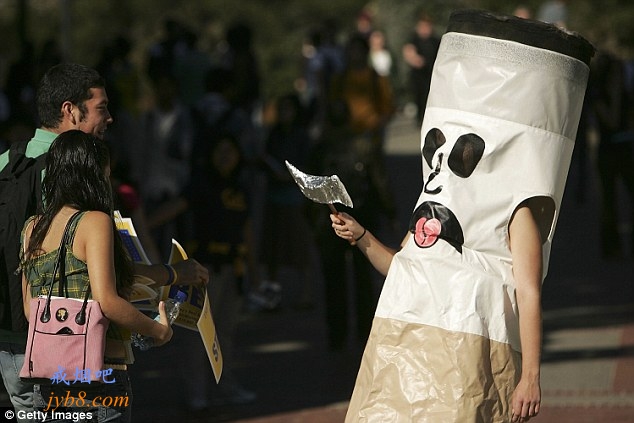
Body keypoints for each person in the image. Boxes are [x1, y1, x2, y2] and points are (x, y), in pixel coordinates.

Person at [337, 10, 593, 422]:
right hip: (403, 350)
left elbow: (529, 294)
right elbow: (404, 268)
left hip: (472, 363)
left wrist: (531, 376)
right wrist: (362, 235)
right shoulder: (436, 199)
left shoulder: (517, 207)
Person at [0, 62, 208, 418]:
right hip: (66, 350)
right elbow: (100, 285)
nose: (110, 118)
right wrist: (167, 284)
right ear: (70, 110)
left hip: (13, 345)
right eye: (101, 107)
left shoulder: (7, 161)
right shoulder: (68, 176)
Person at [20, 130, 173, 422]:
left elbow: (31, 310)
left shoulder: (31, 228)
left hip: (49, 379)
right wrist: (158, 331)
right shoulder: (94, 222)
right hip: (99, 377)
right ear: (94, 174)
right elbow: (108, 302)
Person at [147, 132, 257, 409]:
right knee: (197, 334)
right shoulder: (200, 185)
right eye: (220, 150)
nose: (225, 156)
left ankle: (226, 387)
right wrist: (140, 225)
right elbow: (171, 210)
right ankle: (197, 395)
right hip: (204, 272)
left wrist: (255, 270)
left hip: (234, 268)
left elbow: (247, 230)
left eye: (230, 151)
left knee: (226, 333)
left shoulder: (241, 188)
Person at [402, 12, 440, 124]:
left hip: (432, 76)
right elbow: (409, 53)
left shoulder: (435, 41)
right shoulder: (413, 40)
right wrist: (415, 59)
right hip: (418, 78)